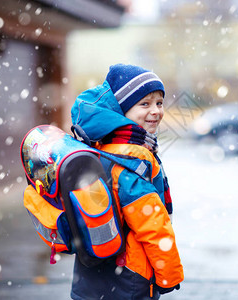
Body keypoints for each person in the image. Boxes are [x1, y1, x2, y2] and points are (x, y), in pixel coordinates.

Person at [70, 64, 184, 300]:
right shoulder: (130, 160)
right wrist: (168, 275)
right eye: (145, 104)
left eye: (159, 103)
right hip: (129, 277)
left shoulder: (101, 147)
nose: (156, 111)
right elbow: (152, 225)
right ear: (121, 110)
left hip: (93, 272)